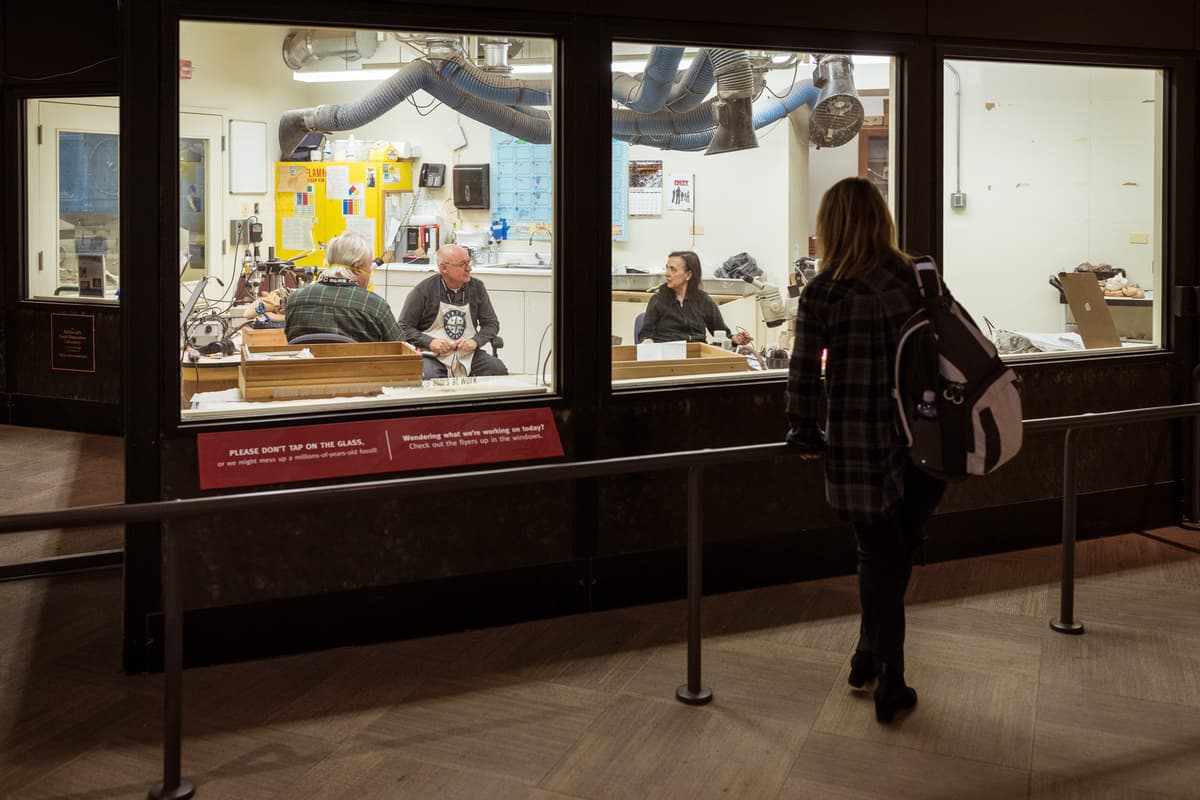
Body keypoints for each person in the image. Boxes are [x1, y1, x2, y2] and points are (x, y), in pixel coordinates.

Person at [784, 177, 946, 724]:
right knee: (893, 551)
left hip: (858, 443)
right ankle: (869, 656)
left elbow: (804, 371)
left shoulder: (823, 291)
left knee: (878, 552)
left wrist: (803, 428)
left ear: (829, 227)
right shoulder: (917, 275)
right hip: (926, 438)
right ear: (882, 220)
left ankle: (889, 677)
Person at [397, 243, 508, 379]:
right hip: (433, 356)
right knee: (429, 377)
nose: (469, 268)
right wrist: (429, 342)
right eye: (462, 264)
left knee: (497, 369)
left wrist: (475, 341)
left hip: (468, 354)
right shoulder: (423, 290)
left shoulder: (477, 288)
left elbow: (491, 324)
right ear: (444, 268)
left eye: (469, 262)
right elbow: (403, 327)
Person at [283, 231, 402, 343]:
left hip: (307, 365)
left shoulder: (295, 301)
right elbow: (402, 349)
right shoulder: (374, 306)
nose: (371, 271)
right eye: (369, 265)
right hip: (359, 366)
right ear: (356, 267)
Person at [639, 250, 752, 346]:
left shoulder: (704, 301)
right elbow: (645, 334)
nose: (667, 274)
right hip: (668, 357)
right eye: (667, 268)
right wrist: (647, 341)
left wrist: (734, 339)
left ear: (688, 275)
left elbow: (720, 332)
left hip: (696, 355)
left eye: (673, 270)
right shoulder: (658, 300)